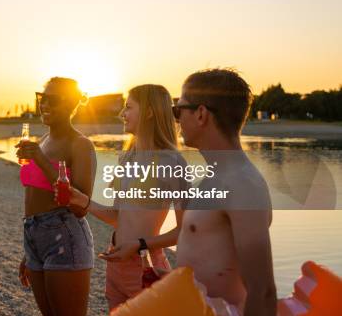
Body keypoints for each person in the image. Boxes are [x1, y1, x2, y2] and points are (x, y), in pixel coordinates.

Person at [114, 69, 277, 315]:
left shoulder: (243, 185)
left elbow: (262, 291)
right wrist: (169, 279)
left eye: (178, 111)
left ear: (200, 114)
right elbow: (214, 261)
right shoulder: (214, 178)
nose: (175, 120)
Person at [72, 84, 187, 311]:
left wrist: (139, 245)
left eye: (128, 107)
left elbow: (184, 231)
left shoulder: (172, 162)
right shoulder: (127, 158)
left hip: (145, 264)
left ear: (149, 112)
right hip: (115, 260)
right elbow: (118, 217)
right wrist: (82, 201)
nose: (121, 113)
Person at [16, 77, 96, 316]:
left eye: (53, 100)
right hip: (35, 234)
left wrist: (40, 160)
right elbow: (36, 197)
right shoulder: (43, 140)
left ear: (71, 104)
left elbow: (81, 207)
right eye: (42, 98)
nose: (45, 104)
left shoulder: (80, 145)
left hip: (64, 236)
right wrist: (31, 249)